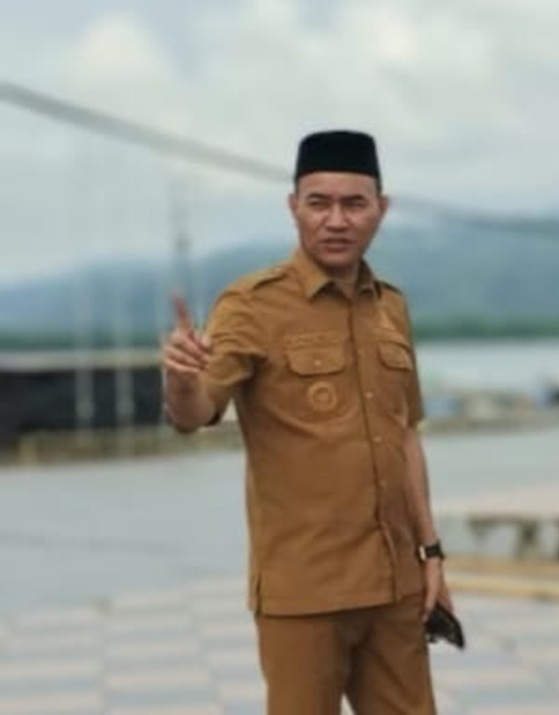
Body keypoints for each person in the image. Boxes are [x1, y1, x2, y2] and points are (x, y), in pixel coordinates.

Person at [161, 129, 450, 715]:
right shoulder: (252, 304)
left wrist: (432, 553)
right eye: (319, 203)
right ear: (294, 207)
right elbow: (196, 413)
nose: (336, 220)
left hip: (396, 587)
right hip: (304, 592)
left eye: (354, 204)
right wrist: (182, 377)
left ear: (381, 208)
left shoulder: (390, 306)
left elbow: (405, 434)